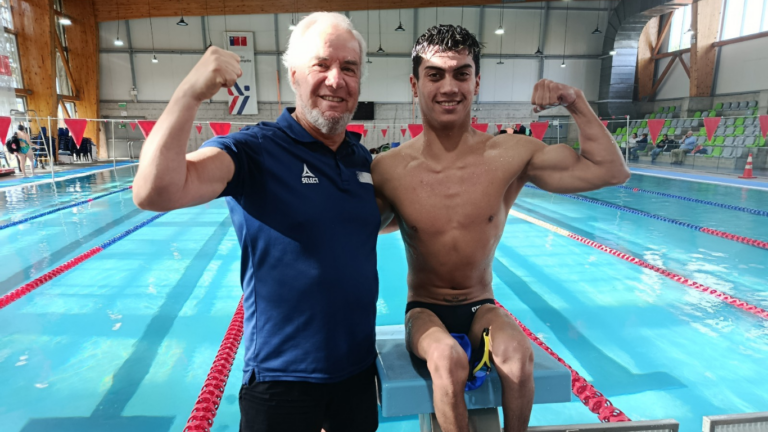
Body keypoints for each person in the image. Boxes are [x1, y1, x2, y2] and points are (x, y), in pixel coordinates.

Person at [371, 25, 630, 432]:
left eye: (461, 73)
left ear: (477, 82)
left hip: (481, 304)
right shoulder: (389, 169)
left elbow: (611, 171)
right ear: (414, 84)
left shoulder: (510, 155)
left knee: (517, 352)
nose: (449, 86)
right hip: (424, 309)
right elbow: (353, 228)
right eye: (435, 74)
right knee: (446, 358)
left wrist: (574, 101)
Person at [133, 12, 381, 432]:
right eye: (322, 65)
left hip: (356, 374)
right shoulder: (256, 150)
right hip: (281, 383)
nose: (336, 80)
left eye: (349, 68)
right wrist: (189, 94)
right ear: (294, 76)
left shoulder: (361, 160)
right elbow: (154, 192)